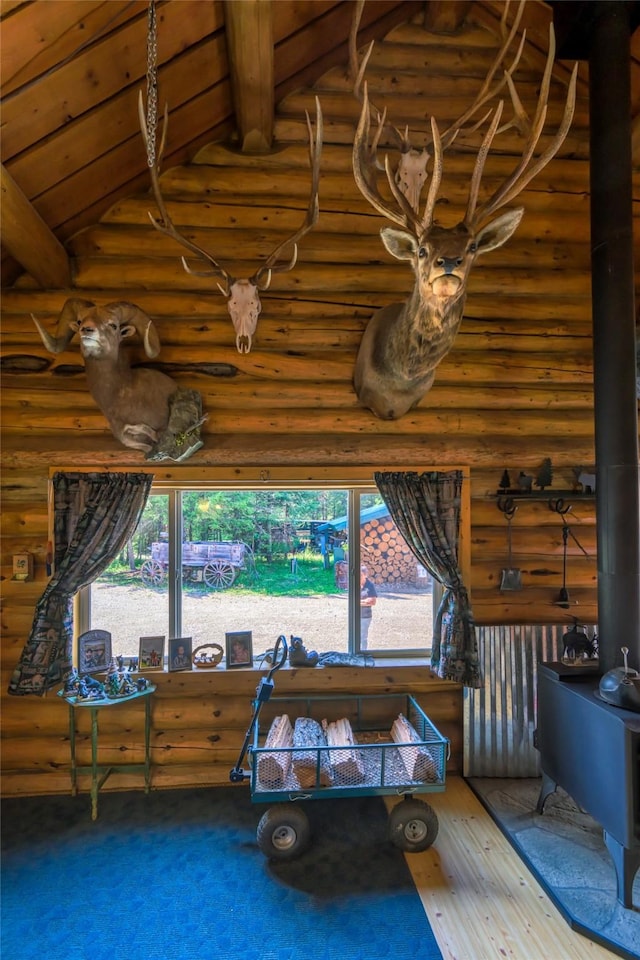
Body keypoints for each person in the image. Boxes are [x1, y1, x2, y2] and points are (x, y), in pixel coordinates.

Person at [360, 565, 377, 649]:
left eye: (361, 575)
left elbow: (372, 601)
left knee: (363, 637)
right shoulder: (354, 584)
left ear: (365, 575)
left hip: (365, 616)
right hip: (355, 615)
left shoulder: (370, 585)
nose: (359, 577)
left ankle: (363, 653)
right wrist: (364, 601)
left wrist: (358, 602)